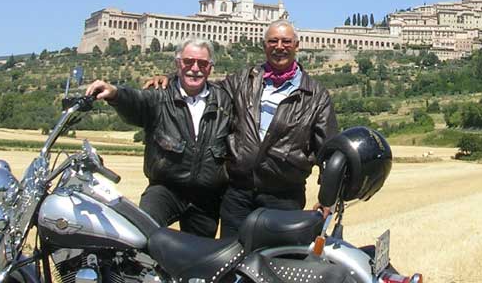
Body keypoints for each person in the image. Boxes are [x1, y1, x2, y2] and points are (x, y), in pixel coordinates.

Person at [145, 20, 338, 237]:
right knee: (231, 260)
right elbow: (205, 87)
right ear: (264, 45)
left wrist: (329, 198)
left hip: (284, 198)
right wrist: (172, 79)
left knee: (278, 262)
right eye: (273, 41)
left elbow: (328, 149)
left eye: (286, 41)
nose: (279, 46)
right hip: (237, 195)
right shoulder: (241, 81)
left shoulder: (316, 96)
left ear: (297, 45)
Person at [86, 38, 232, 238]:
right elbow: (136, 100)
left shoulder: (225, 99)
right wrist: (115, 94)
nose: (195, 68)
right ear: (177, 63)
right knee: (139, 236)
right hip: (165, 189)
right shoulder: (159, 95)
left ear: (211, 68)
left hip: (206, 198)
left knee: (199, 259)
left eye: (202, 63)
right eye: (188, 62)